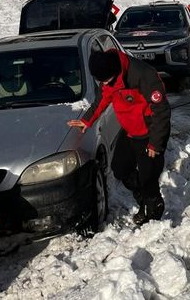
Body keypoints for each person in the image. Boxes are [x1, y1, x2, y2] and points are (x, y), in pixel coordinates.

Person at [67, 49, 171, 225]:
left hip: (150, 131)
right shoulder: (109, 77)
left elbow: (161, 111)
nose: (104, 83)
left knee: (148, 175)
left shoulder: (143, 75)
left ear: (115, 72)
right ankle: (145, 198)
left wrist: (155, 143)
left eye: (106, 80)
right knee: (120, 169)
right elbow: (102, 98)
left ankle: (154, 212)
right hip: (130, 131)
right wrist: (87, 120)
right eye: (101, 80)